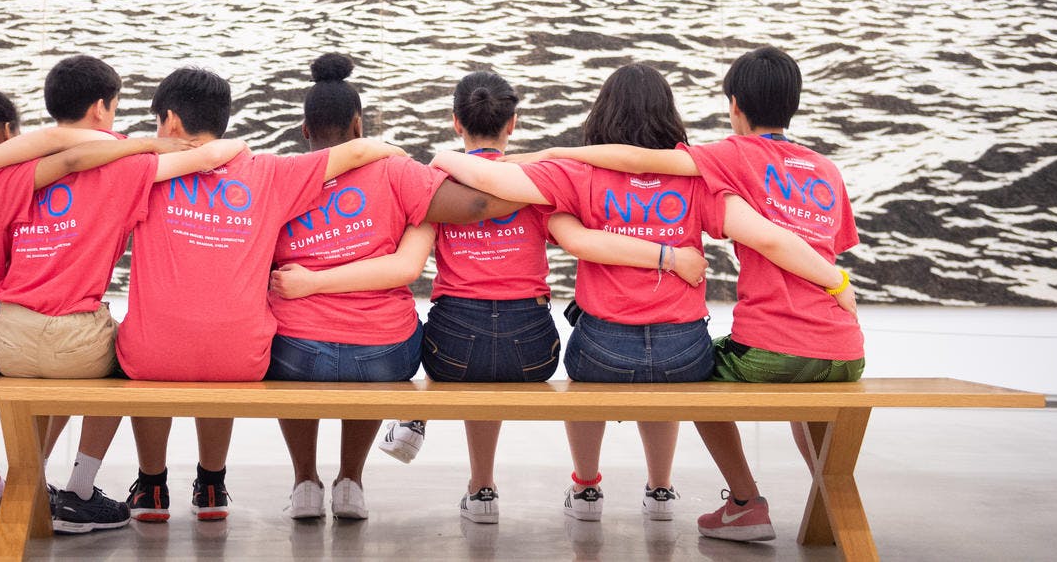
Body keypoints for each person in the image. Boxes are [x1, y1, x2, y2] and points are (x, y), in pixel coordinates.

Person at [274, 70, 703, 525]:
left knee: (434, 342)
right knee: (407, 341)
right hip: (533, 351)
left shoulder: (434, 180)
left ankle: (472, 482)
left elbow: (408, 264)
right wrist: (664, 251)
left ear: (456, 121)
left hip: (451, 350)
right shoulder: (537, 183)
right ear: (512, 123)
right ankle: (654, 487)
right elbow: (577, 239)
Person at [433, 62, 851, 526]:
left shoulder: (579, 171)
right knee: (684, 376)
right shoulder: (700, 177)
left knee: (581, 370)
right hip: (683, 352)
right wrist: (834, 280)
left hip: (601, 353)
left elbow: (495, 185)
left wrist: (443, 160)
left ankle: (587, 487)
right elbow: (766, 235)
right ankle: (660, 489)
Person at [0, 56, 246, 533]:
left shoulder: (20, 165)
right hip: (71, 340)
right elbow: (203, 158)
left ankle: (25, 478)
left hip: (8, 337)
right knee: (128, 359)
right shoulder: (126, 166)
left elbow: (56, 148)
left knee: (49, 366)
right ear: (102, 108)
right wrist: (231, 142)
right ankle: (79, 491)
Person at [0, 69, 193, 518]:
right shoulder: (3, 181)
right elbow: (67, 156)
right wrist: (148, 143)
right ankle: (44, 480)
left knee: (14, 347)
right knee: (65, 357)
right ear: (7, 131)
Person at [115, 66, 408, 524]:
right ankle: (211, 484)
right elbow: (357, 153)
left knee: (147, 336)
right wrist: (395, 152)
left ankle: (152, 486)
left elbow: (79, 154)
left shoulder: (145, 174)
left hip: (153, 355)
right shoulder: (268, 173)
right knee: (220, 343)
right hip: (240, 360)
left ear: (170, 122)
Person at [267, 54, 517, 523]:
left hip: (294, 352)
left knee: (289, 345)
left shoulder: (278, 178)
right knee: (375, 347)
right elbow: (480, 203)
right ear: (359, 125)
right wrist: (546, 181)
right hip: (381, 353)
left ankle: (304, 482)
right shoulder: (397, 171)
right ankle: (350, 483)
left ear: (304, 130)